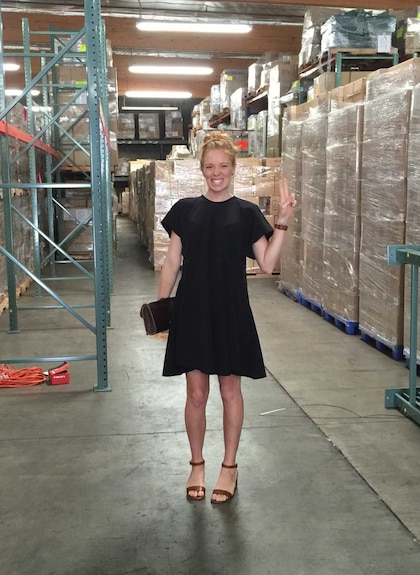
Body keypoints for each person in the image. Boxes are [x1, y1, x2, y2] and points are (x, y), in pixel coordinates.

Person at [156, 131, 296, 504]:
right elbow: (172, 262)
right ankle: (197, 464)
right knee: (196, 393)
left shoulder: (246, 213)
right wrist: (161, 308)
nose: (216, 173)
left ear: (233, 169)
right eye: (209, 167)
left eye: (223, 166)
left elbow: (268, 264)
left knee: (230, 390)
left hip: (231, 311)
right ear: (201, 170)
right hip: (192, 311)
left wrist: (282, 221)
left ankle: (229, 467)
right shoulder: (185, 210)